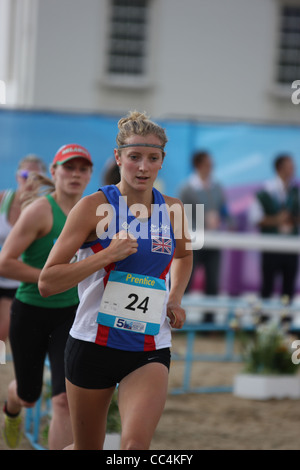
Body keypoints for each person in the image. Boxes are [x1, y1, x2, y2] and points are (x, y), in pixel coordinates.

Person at [38, 111, 193, 450]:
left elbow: (183, 255)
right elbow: (47, 282)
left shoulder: (176, 209)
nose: (143, 167)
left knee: (134, 448)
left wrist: (175, 298)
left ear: (162, 162)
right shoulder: (92, 207)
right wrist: (106, 255)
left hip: (150, 347)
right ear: (118, 157)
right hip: (93, 343)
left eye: (152, 158)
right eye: (134, 157)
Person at [0, 144, 93, 449]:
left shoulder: (92, 212)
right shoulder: (41, 210)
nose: (76, 175)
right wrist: (49, 278)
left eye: (83, 169)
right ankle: (11, 409)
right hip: (30, 312)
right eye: (69, 168)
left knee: (64, 399)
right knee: (28, 397)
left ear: (90, 175)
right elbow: (5, 262)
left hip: (69, 314)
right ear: (54, 173)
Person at [178, 151, 230, 321]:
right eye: (208, 164)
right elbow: (182, 215)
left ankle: (210, 323)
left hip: (214, 240)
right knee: (186, 280)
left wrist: (227, 221)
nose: (211, 168)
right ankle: (177, 318)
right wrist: (203, 222)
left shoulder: (217, 187)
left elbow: (224, 211)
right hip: (193, 241)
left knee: (213, 282)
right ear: (198, 165)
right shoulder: (187, 188)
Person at [0, 155, 47, 342]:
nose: (30, 180)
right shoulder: (3, 199)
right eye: (26, 174)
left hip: (19, 279)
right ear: (17, 175)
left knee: (3, 331)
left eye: (36, 176)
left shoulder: (44, 208)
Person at [248, 154, 300, 301]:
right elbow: (255, 218)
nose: (293, 170)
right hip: (271, 246)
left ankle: (285, 323)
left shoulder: (295, 192)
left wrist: (292, 219)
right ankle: (263, 322)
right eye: (290, 167)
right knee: (267, 286)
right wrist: (277, 220)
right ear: (280, 168)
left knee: (288, 288)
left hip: (290, 246)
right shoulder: (265, 191)